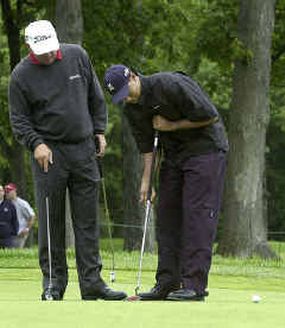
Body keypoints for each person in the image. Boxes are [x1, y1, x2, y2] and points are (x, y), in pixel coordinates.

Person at [8, 20, 126, 301]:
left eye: (51, 48)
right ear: (29, 47)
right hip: (49, 155)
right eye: (42, 51)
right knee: (52, 221)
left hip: (84, 149)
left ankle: (92, 282)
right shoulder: (21, 76)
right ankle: (53, 283)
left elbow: (95, 97)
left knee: (87, 220)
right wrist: (36, 144)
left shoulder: (77, 55)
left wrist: (99, 130)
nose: (49, 55)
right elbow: (19, 121)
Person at [104, 65, 228, 301]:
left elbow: (209, 115)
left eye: (127, 91)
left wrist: (171, 126)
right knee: (167, 216)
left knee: (197, 216)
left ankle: (194, 285)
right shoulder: (131, 107)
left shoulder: (170, 84)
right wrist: (146, 180)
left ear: (132, 76)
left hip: (206, 149)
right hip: (174, 155)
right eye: (121, 96)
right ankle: (168, 282)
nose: (127, 98)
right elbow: (147, 145)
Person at [5, 183, 35, 248]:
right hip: (8, 234)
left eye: (9, 191)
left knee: (16, 253)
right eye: (6, 191)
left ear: (14, 191)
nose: (7, 193)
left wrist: (27, 229)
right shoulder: (6, 204)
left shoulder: (22, 203)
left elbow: (32, 216)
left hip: (20, 234)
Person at [0, 184, 19, 248]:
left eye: (1, 191)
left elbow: (15, 220)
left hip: (7, 237)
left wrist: (14, 233)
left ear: (3, 193)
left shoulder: (10, 205)